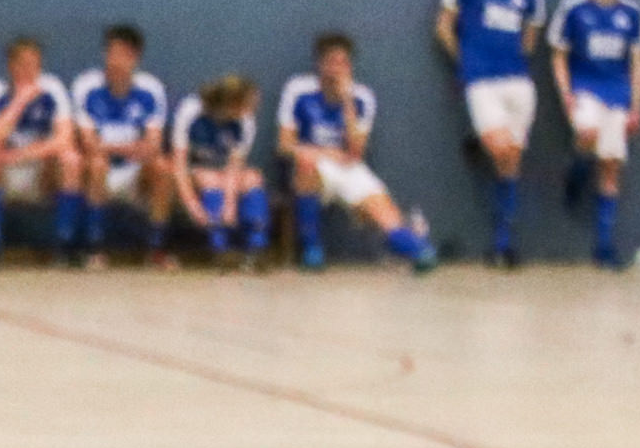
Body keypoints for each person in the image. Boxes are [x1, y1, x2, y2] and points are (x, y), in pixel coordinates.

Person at [436, 0, 548, 266]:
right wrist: (465, 60)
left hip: (516, 79)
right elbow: (443, 25)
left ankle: (503, 241)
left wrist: (516, 57)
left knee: (511, 158)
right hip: (480, 79)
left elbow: (531, 33)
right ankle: (479, 140)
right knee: (498, 147)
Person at [280, 33, 439, 273]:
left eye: (343, 63)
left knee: (384, 213)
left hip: (347, 166)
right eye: (331, 62)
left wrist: (347, 101)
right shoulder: (298, 89)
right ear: (320, 64)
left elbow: (355, 152)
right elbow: (284, 145)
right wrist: (324, 153)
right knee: (305, 161)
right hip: (313, 163)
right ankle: (312, 249)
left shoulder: (362, 96)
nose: (337, 69)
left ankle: (417, 249)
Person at [549, 0, 640, 268]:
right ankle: (576, 175)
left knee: (610, 164)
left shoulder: (631, 11)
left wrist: (636, 107)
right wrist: (566, 93)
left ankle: (604, 246)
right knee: (587, 134)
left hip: (617, 94)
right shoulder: (574, 7)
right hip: (585, 89)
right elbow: (559, 54)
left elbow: (637, 62)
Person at [0, 36, 78, 268]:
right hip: (5, 172)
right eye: (24, 64)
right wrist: (20, 100)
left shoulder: (52, 89)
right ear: (10, 65)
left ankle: (64, 244)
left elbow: (64, 139)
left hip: (39, 171)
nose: (30, 71)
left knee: (70, 159)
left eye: (35, 65)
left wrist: (20, 155)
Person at [70, 23, 175, 264]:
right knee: (97, 163)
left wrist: (111, 146)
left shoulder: (150, 89)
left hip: (135, 173)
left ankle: (156, 248)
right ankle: (94, 249)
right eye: (111, 52)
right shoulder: (87, 86)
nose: (115, 60)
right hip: (100, 172)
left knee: (163, 167)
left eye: (123, 54)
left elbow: (153, 145)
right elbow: (88, 143)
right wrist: (132, 147)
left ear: (135, 57)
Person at [171, 74, 269, 263]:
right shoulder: (192, 110)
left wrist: (229, 205)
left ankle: (256, 249)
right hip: (194, 170)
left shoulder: (246, 122)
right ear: (232, 102)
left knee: (253, 178)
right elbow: (179, 165)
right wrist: (193, 206)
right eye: (248, 105)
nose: (251, 110)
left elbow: (234, 167)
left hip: (223, 173)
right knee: (209, 178)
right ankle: (220, 248)